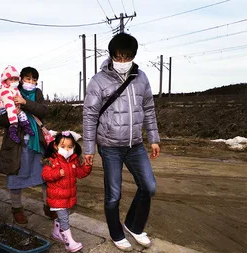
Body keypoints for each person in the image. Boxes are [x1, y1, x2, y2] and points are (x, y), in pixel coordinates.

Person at [83, 32, 160, 251]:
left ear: (134, 56)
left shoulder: (141, 77)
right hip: (109, 146)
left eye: (128, 57)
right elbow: (89, 115)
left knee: (149, 186)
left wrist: (153, 138)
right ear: (112, 55)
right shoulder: (98, 81)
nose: (123, 62)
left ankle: (133, 226)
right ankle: (116, 233)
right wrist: (89, 148)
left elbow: (148, 109)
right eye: (119, 56)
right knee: (113, 194)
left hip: (135, 144)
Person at [0, 66, 57, 224]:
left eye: (34, 80)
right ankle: (17, 208)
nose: (31, 82)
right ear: (20, 78)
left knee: (45, 175)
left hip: (38, 142)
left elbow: (43, 111)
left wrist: (25, 102)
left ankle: (48, 206)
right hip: (17, 144)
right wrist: (12, 115)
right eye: (28, 79)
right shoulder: (9, 91)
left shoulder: (37, 93)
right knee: (16, 175)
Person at [42, 131, 92, 252]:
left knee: (63, 217)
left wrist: (87, 166)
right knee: (64, 219)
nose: (67, 149)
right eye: (63, 146)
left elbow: (80, 174)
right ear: (55, 146)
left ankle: (56, 233)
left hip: (69, 196)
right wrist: (57, 173)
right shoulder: (52, 160)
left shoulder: (73, 160)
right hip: (56, 197)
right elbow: (45, 175)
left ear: (74, 147)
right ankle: (69, 242)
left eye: (70, 147)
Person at [0, 65, 35, 143]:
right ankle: (13, 132)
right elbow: (8, 105)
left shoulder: (14, 89)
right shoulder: (5, 91)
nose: (14, 81)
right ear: (5, 80)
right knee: (17, 118)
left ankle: (25, 126)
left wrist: (22, 104)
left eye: (15, 79)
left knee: (21, 114)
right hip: (6, 109)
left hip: (13, 107)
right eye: (11, 79)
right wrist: (14, 119)